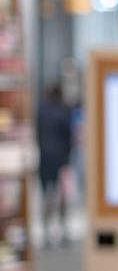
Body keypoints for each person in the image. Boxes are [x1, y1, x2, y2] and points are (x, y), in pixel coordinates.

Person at [36, 82, 72, 247]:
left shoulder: (41, 111)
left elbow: (37, 134)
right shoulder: (63, 111)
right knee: (63, 196)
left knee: (46, 196)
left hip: (44, 158)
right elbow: (68, 137)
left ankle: (45, 234)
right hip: (61, 159)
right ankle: (63, 231)